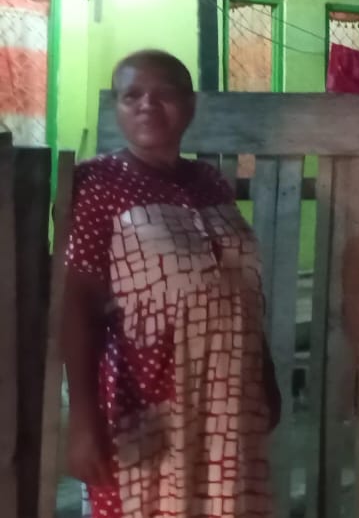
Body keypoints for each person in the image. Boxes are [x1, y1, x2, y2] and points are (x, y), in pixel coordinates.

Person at [63, 51, 280, 518]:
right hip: (146, 397)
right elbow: (76, 300)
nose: (147, 104)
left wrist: (266, 372)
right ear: (118, 108)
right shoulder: (97, 184)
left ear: (190, 104)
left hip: (230, 393)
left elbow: (237, 285)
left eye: (164, 93)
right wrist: (82, 418)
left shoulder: (210, 182)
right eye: (132, 95)